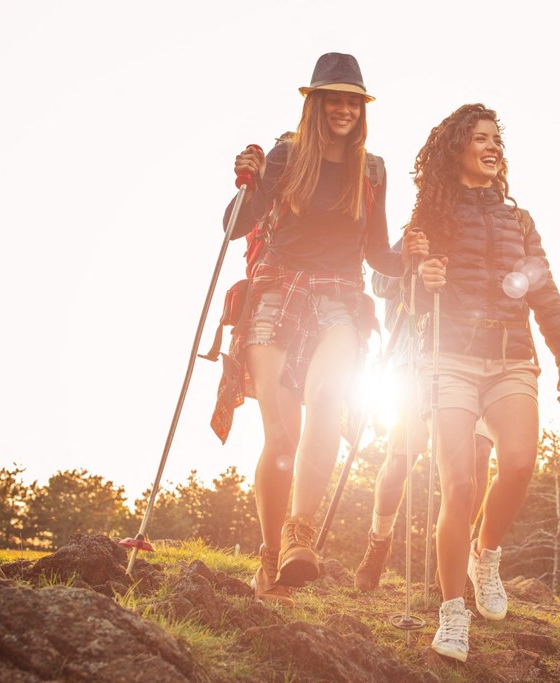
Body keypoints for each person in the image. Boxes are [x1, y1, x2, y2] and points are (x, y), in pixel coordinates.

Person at [211, 53, 427, 606]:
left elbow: (378, 253)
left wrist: (413, 259)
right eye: (334, 98)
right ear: (314, 103)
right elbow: (237, 227)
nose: (344, 108)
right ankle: (268, 556)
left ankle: (298, 536)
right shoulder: (285, 157)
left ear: (362, 108)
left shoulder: (372, 170)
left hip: (340, 298)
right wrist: (247, 182)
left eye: (353, 100)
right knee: (280, 437)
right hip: (276, 294)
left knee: (330, 395)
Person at [415, 104, 560, 661]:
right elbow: (401, 295)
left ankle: (485, 555)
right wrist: (422, 277)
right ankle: (452, 613)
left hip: (512, 357)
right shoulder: (430, 215)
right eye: (480, 138)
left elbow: (543, 288)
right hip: (451, 360)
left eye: (496, 139)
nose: (492, 147)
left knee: (518, 463)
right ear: (456, 147)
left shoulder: (520, 221)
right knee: (459, 485)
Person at [353, 265, 494, 592]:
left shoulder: (483, 225)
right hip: (414, 365)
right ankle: (379, 542)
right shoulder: (416, 232)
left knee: (479, 454)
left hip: (473, 361)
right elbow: (380, 280)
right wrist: (415, 264)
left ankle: (453, 557)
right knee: (399, 461)